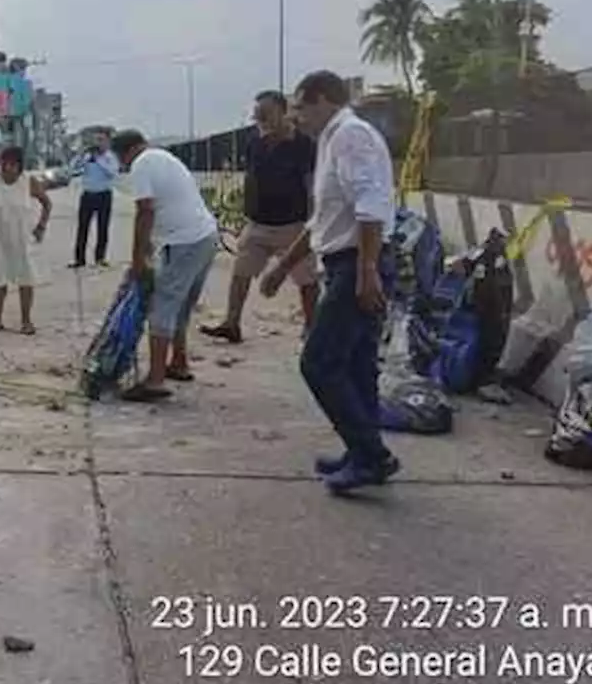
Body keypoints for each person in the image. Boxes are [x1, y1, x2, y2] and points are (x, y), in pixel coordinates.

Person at [260, 70, 398, 493]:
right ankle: (362, 450)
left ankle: (372, 456)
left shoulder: (351, 136)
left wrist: (367, 271)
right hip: (346, 260)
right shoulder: (332, 140)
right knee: (356, 366)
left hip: (357, 263)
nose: (296, 116)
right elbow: (323, 219)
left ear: (323, 100)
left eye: (300, 107)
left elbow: (370, 207)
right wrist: (285, 265)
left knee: (318, 362)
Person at [202, 90, 318, 343]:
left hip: (293, 225)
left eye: (265, 113)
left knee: (306, 279)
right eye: (257, 114)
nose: (259, 118)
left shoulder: (304, 145)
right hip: (258, 224)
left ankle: (312, 328)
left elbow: (311, 187)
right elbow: (250, 178)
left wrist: (310, 225)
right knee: (240, 273)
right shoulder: (255, 142)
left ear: (283, 111)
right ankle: (231, 323)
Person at [111, 129, 218, 402]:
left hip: (184, 241)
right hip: (204, 235)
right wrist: (148, 248)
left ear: (126, 152)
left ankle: (156, 380)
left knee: (162, 306)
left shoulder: (142, 164)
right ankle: (179, 363)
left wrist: (137, 259)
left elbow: (145, 209)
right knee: (180, 305)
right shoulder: (163, 157)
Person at [0, 146, 51, 335]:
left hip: (22, 238)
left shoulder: (29, 182)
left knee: (26, 279)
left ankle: (26, 321)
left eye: (13, 164)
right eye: (5, 163)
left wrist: (41, 227)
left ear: (20, 165)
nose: (8, 168)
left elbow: (46, 203)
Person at [71, 129, 119, 269]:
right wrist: (80, 156)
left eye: (101, 140)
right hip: (88, 195)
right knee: (82, 228)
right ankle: (79, 259)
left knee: (102, 227)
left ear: (108, 142)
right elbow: (73, 169)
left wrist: (98, 160)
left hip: (104, 195)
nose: (98, 143)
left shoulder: (110, 157)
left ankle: (100, 258)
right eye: (96, 140)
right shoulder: (87, 156)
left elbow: (112, 173)